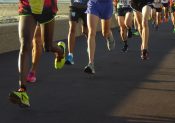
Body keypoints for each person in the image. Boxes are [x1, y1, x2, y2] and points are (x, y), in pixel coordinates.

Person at [9, 0, 66, 108]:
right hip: (27, 5)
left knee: (47, 47)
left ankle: (60, 51)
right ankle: (22, 91)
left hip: (47, 7)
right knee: (25, 45)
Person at [84, 0, 116, 74]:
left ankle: (109, 34)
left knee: (105, 32)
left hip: (107, 4)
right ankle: (91, 64)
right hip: (94, 4)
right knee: (91, 32)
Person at [65, 0, 89, 65]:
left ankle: (90, 45)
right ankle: (70, 55)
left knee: (85, 31)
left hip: (86, 8)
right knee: (72, 29)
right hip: (74, 7)